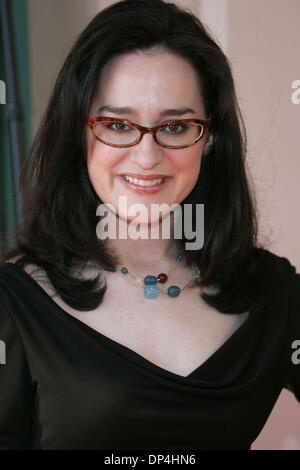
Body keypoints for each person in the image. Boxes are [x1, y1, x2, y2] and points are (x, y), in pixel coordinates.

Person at [0, 0, 299, 451]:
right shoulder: (14, 303)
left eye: (175, 127)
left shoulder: (274, 292)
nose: (147, 156)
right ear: (78, 133)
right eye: (118, 123)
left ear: (210, 138)